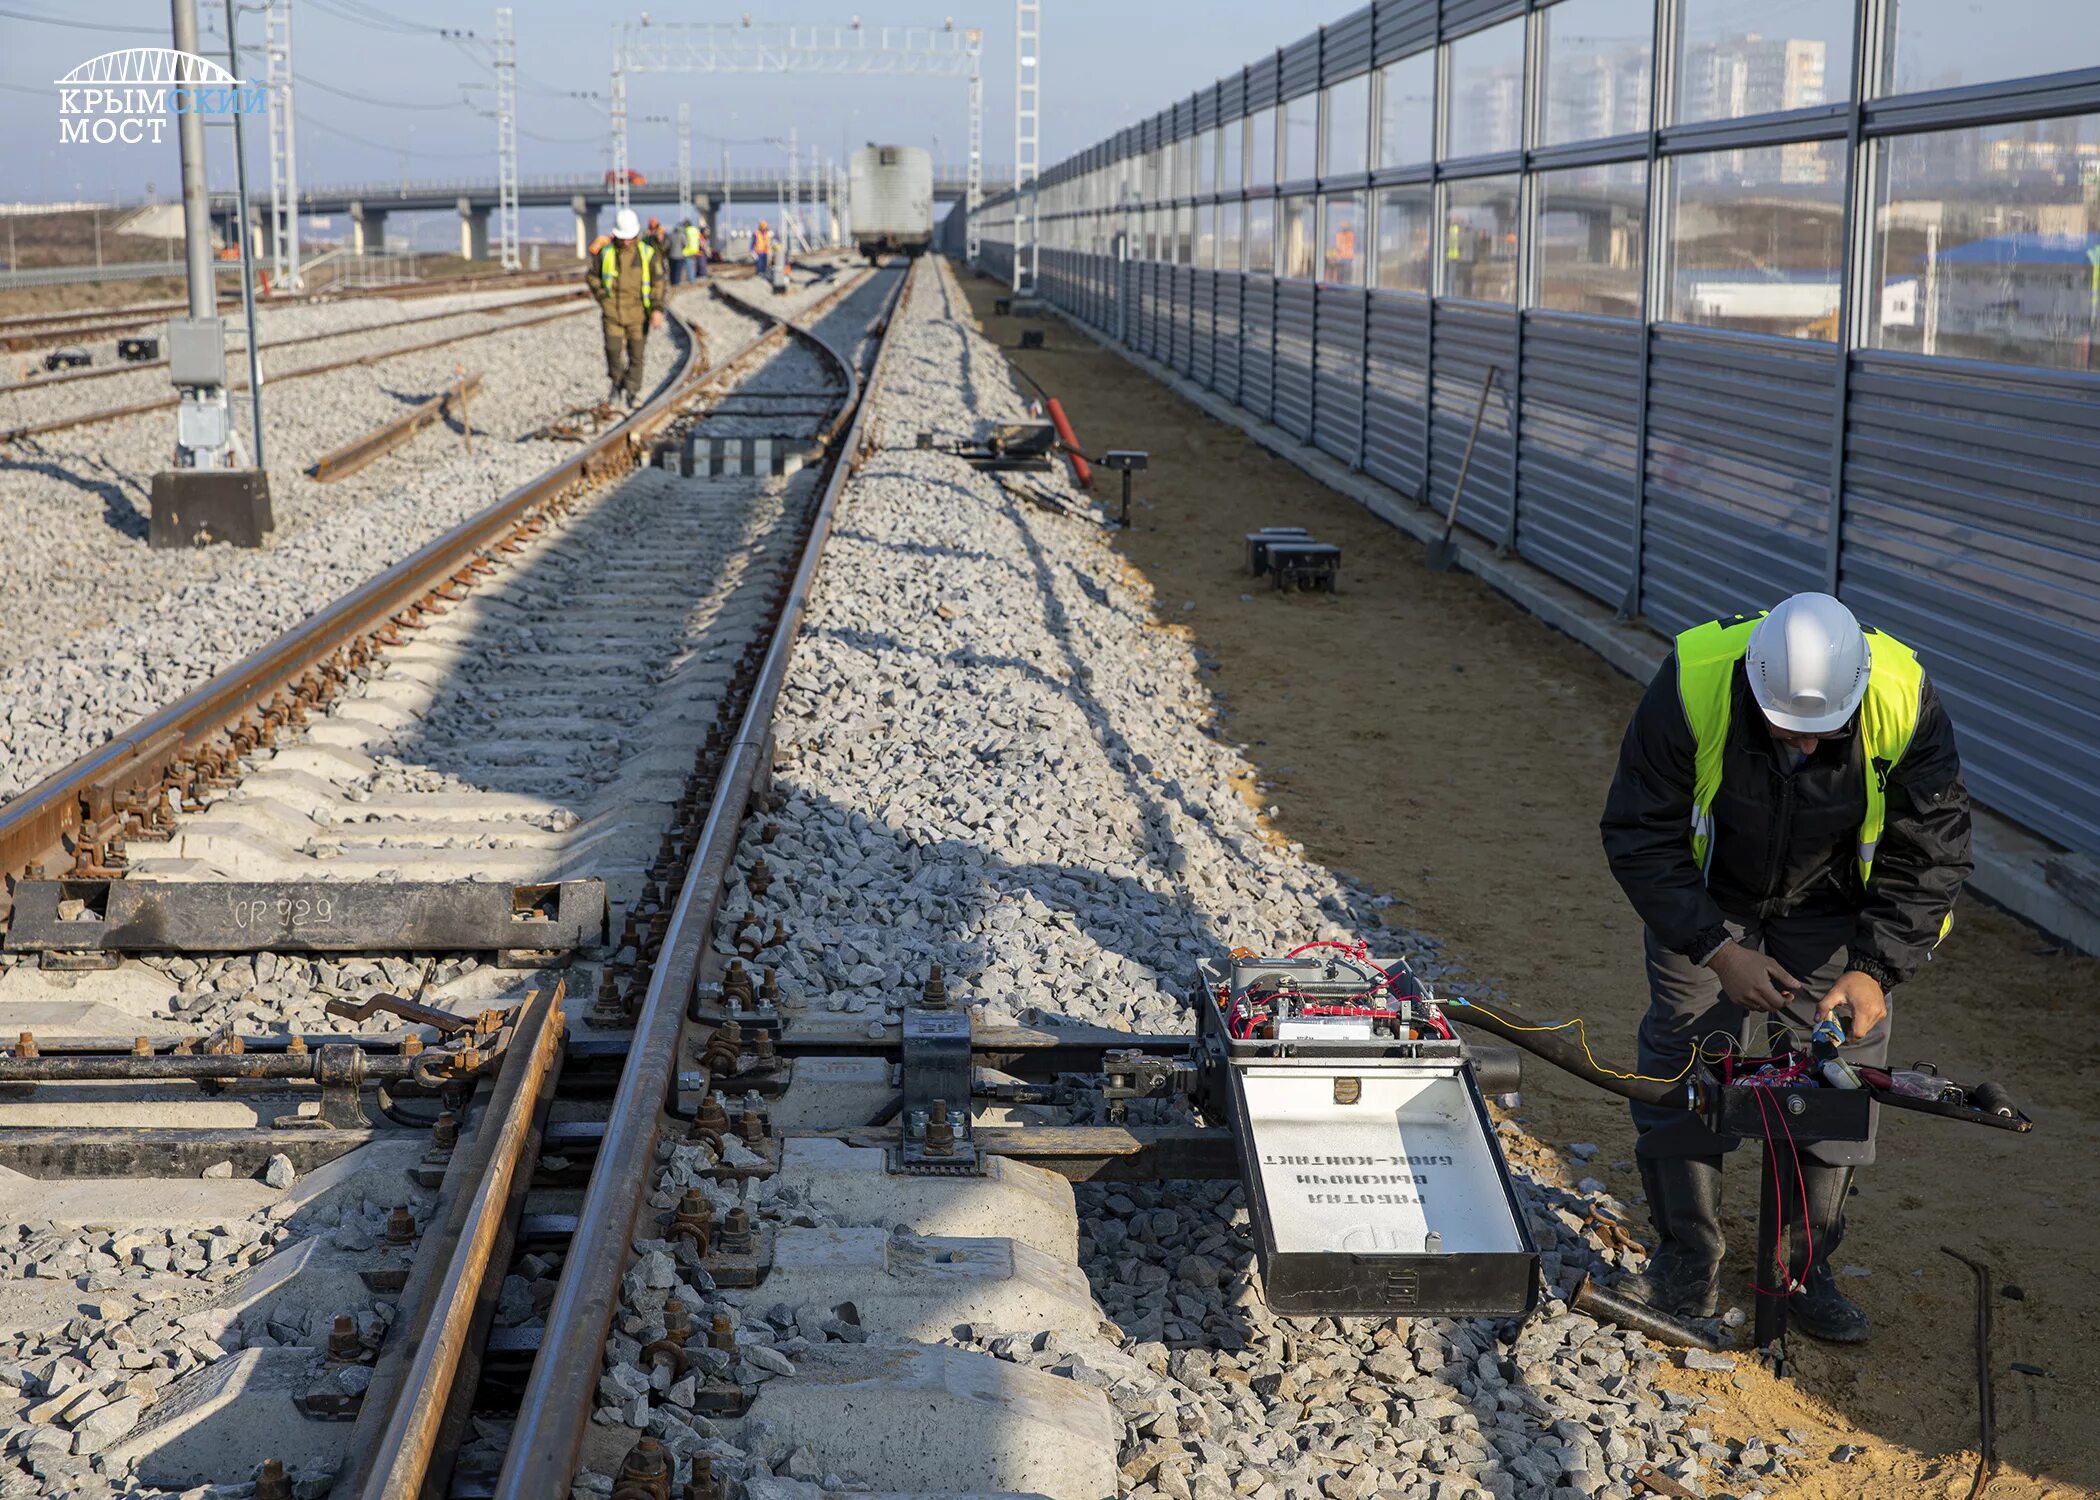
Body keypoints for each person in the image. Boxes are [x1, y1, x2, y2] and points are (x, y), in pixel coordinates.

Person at [1598, 592, 1971, 1344]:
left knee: (1838, 1077)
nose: (1803, 748)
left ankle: (1804, 1269)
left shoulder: (1902, 695)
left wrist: (1874, 969)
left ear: (1858, 692)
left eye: (1821, 734)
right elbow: (1640, 832)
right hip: (1712, 895)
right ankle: (1687, 1260)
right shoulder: (1694, 680)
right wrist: (1713, 947)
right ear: (1753, 682)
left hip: (1835, 906)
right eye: (1784, 730)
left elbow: (1931, 850)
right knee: (1684, 1056)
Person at [585, 207, 661, 408]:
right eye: (623, 237)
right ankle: (617, 385)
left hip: (638, 315)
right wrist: (603, 298)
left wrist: (657, 309)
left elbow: (659, 282)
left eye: (630, 237)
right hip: (612, 314)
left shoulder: (647, 254)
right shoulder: (606, 253)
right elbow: (592, 276)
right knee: (613, 351)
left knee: (636, 355)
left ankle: (633, 391)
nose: (626, 241)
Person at [678, 218, 701, 284]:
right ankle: (692, 279)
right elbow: (698, 239)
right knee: (692, 265)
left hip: (687, 250)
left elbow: (683, 241)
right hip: (695, 250)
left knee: (688, 265)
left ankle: (691, 280)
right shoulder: (696, 230)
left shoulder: (686, 230)